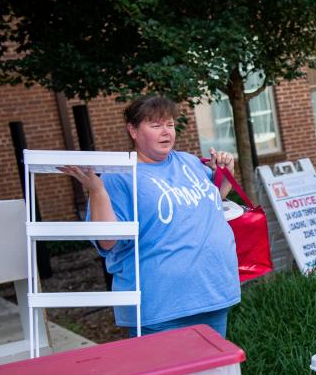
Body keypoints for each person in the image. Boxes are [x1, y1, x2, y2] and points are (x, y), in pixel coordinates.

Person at [62, 95, 240, 337]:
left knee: (212, 374)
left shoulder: (190, 162)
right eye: (155, 125)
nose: (166, 132)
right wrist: (96, 190)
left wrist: (226, 174)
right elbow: (106, 241)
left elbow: (209, 204)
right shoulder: (119, 176)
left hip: (213, 294)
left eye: (170, 124)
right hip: (161, 308)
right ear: (133, 130)